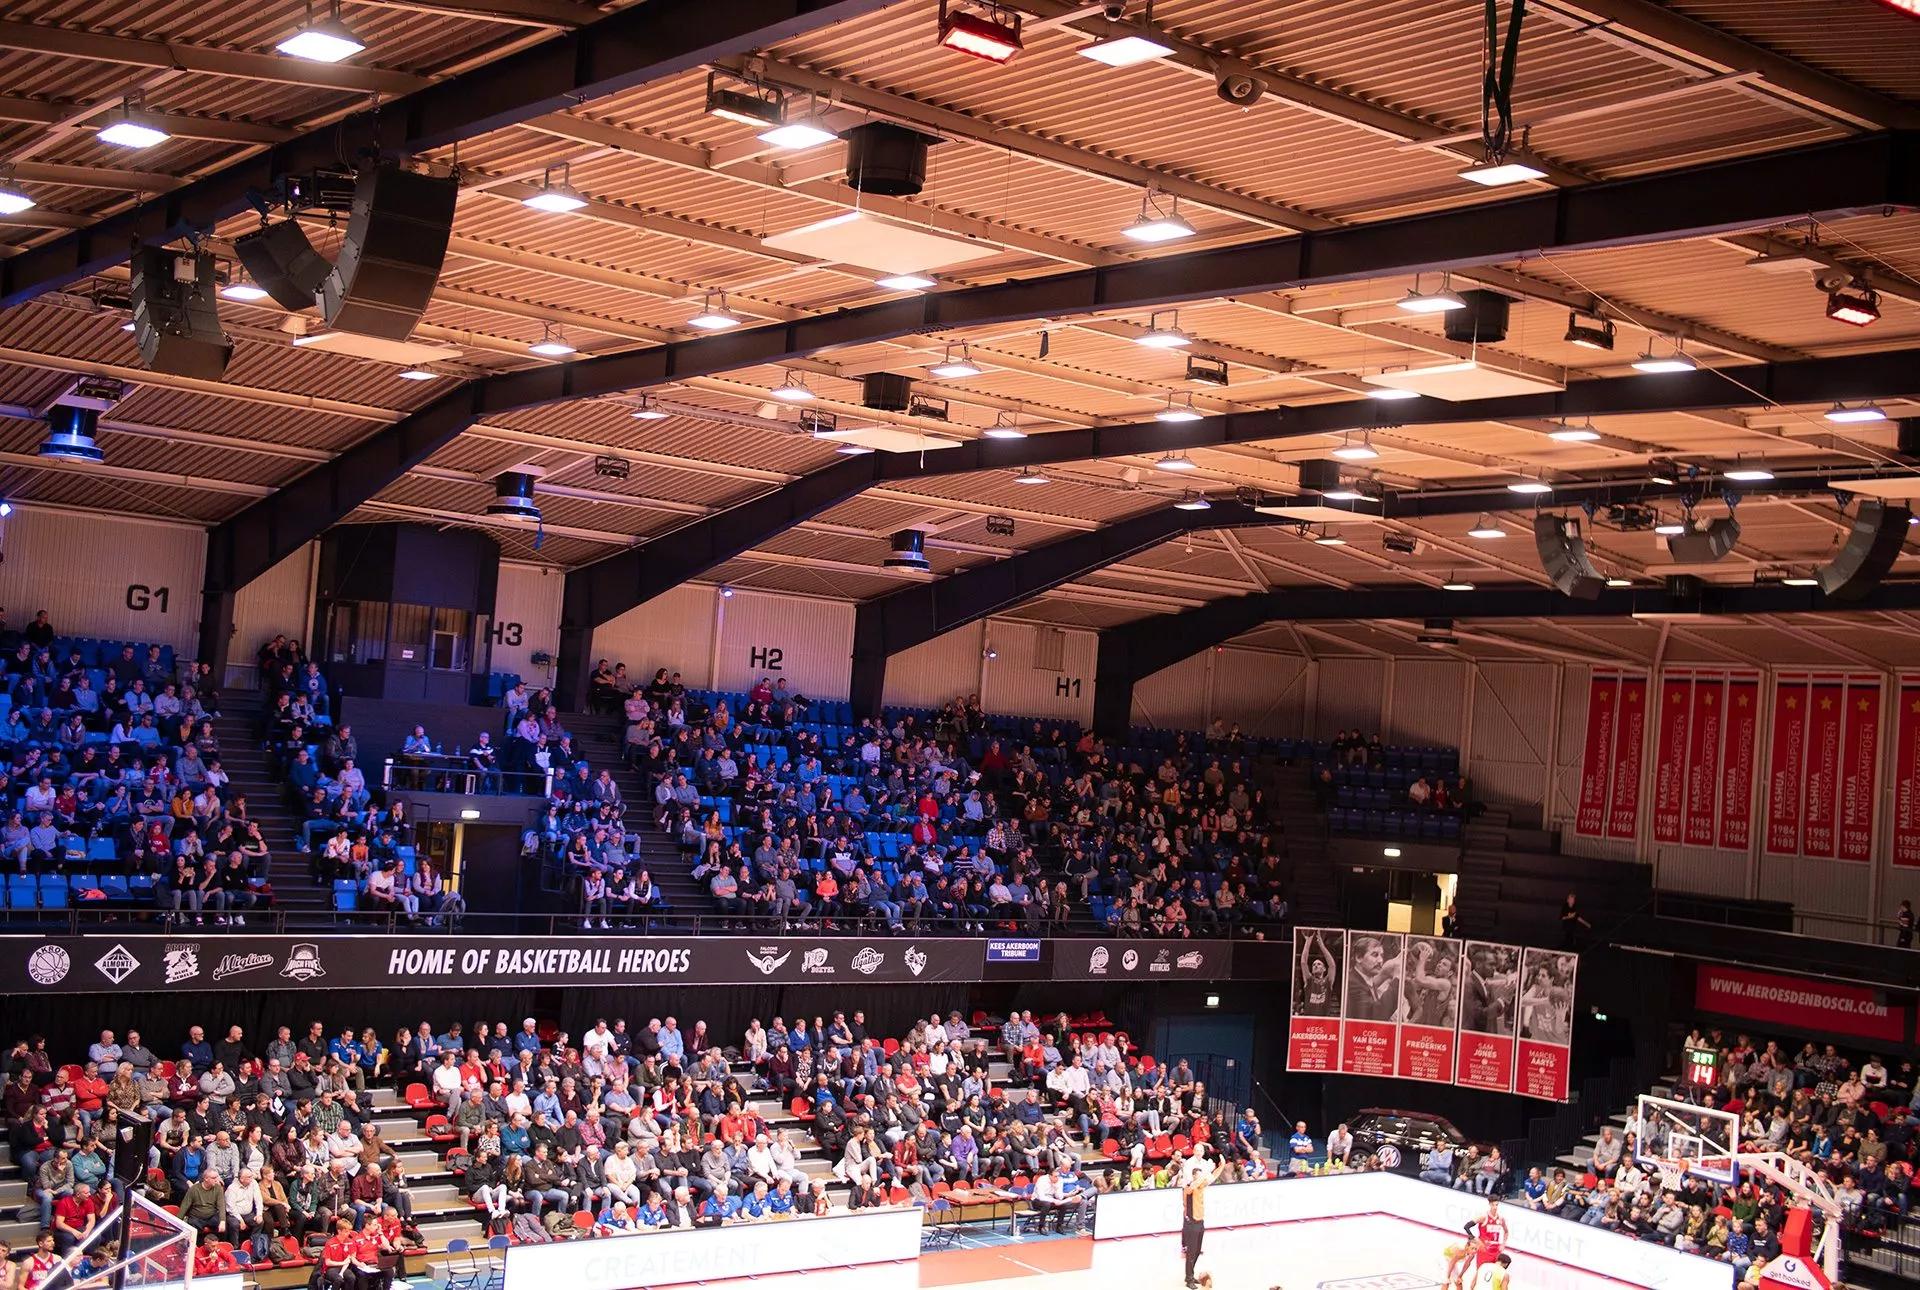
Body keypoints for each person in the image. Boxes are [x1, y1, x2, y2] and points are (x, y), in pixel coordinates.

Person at [1180, 1146, 1223, 1289]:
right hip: (1191, 1223)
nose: (1200, 1178)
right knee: (1191, 1252)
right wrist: (1206, 1171)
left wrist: (1221, 1165)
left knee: (1197, 1251)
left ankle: (1190, 1275)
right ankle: (1189, 1278)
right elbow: (1199, 1182)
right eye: (1198, 1175)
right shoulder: (1188, 1188)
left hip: (1200, 1221)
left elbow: (1212, 1177)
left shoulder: (1200, 1185)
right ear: (1193, 1176)